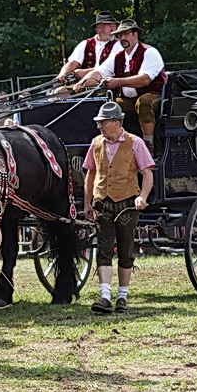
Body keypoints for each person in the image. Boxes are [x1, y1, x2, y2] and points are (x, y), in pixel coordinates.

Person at [82, 100, 153, 314]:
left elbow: (147, 172)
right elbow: (90, 173)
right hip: (102, 201)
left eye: (102, 122)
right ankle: (104, 297)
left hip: (126, 203)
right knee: (104, 249)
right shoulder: (96, 143)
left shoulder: (135, 143)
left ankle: (122, 296)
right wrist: (87, 202)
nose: (99, 126)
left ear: (115, 122)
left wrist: (142, 196)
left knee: (125, 250)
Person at [71, 19, 166, 139]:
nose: (122, 38)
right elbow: (99, 72)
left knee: (143, 102)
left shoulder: (149, 52)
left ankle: (149, 144)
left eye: (126, 34)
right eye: (120, 35)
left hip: (155, 95)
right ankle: (117, 143)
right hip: (128, 99)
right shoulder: (118, 57)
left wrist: (117, 82)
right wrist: (82, 83)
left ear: (135, 35)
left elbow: (144, 80)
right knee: (109, 106)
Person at [58, 11, 121, 83]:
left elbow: (110, 68)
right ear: (99, 28)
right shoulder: (85, 44)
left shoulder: (119, 45)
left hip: (106, 86)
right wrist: (62, 74)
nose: (113, 30)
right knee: (59, 91)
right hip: (82, 86)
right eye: (110, 26)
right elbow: (72, 63)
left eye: (114, 26)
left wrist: (86, 72)